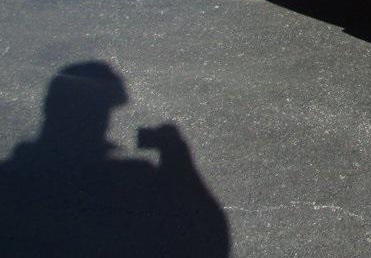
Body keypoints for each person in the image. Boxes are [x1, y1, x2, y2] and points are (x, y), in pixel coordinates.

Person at [0, 61, 230, 257]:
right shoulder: (130, 180)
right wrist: (178, 161)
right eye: (101, 112)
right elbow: (206, 241)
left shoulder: (9, 181)